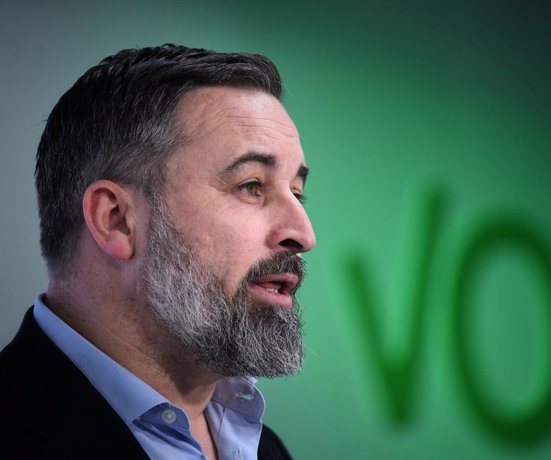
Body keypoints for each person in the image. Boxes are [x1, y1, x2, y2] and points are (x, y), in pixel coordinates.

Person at [0, 44, 316, 459]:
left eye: (297, 193)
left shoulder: (266, 448)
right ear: (116, 219)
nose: (303, 234)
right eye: (251, 186)